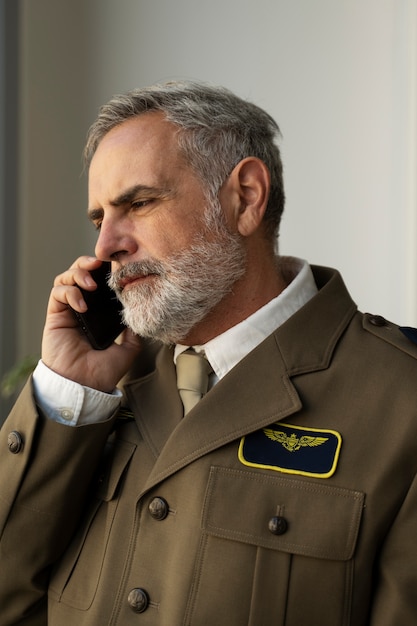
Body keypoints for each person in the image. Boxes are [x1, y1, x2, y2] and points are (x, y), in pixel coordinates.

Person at [1, 80, 417, 626]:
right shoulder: (102, 383)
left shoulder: (401, 400)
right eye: (100, 218)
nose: (105, 247)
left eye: (139, 203)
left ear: (245, 197)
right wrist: (68, 393)